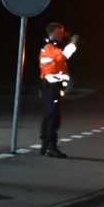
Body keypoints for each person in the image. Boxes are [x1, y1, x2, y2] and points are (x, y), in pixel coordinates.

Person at [38, 22, 80, 158]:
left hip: (50, 86)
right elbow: (63, 56)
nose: (61, 35)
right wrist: (73, 43)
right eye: (58, 32)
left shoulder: (49, 47)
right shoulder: (50, 48)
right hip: (52, 87)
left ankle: (45, 143)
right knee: (53, 116)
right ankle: (51, 146)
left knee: (48, 115)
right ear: (51, 33)